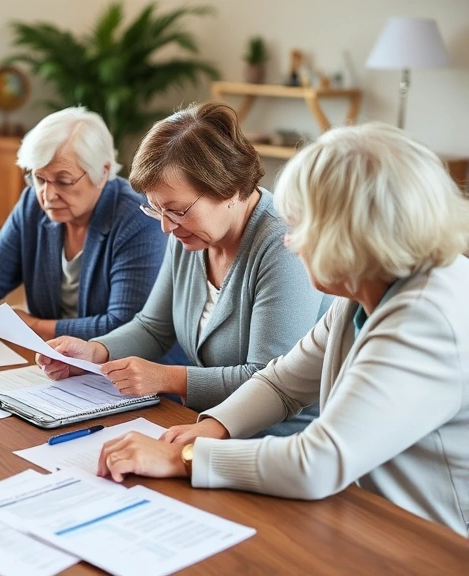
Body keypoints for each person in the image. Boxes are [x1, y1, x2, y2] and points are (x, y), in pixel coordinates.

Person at [96, 123, 469, 537]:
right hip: (371, 519)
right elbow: (281, 383)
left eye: (300, 225)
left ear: (351, 234)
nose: (289, 241)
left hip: (433, 542)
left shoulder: (424, 319)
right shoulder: (364, 291)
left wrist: (182, 459)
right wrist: (209, 429)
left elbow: (318, 462)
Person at [38, 102, 328, 435]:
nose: (165, 226)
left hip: (278, 438)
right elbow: (152, 327)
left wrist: (167, 377)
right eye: (156, 209)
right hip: (205, 422)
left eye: (176, 210)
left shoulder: (283, 244)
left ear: (230, 189)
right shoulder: (191, 232)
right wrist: (94, 351)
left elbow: (266, 380)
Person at [0, 106, 184, 363]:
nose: (48, 195)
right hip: (59, 361)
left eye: (63, 181)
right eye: (39, 178)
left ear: (102, 173)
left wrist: (35, 325)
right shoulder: (33, 204)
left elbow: (125, 326)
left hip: (134, 368)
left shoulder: (136, 217)